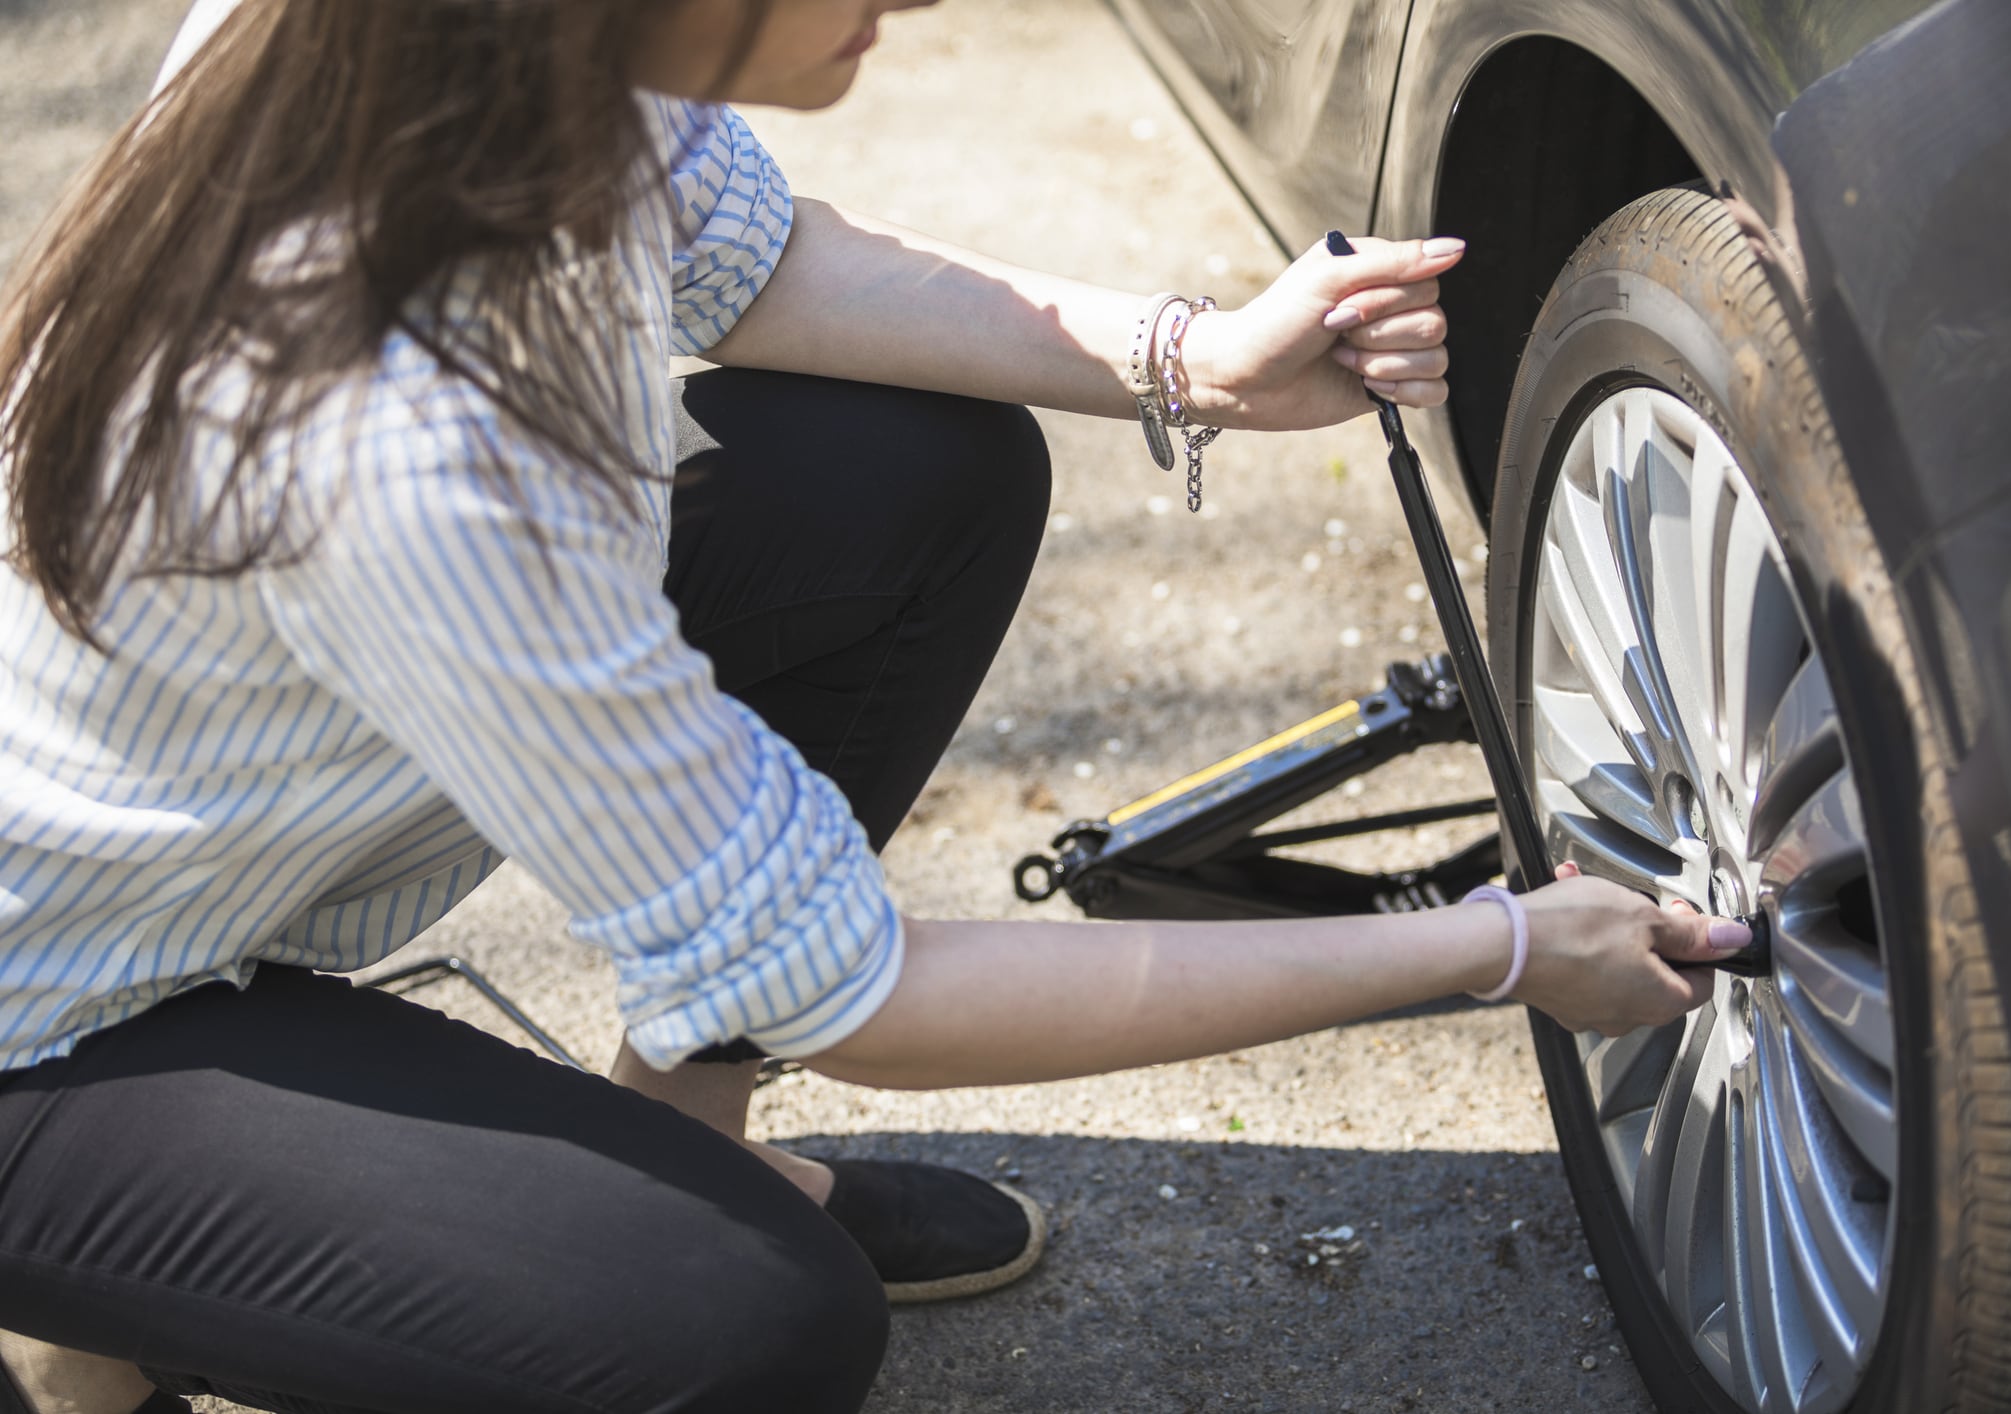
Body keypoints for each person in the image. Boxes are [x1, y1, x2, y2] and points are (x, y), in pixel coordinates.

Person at [0, 1, 1756, 1410]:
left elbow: (760, 267)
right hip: (59, 1016)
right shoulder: (411, 426)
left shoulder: (476, 47)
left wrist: (1191, 362)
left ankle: (672, 1138)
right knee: (732, 1324)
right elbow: (864, 991)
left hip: (212, 826)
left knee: (915, 471)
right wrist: (1491, 946)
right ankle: (108, 1301)